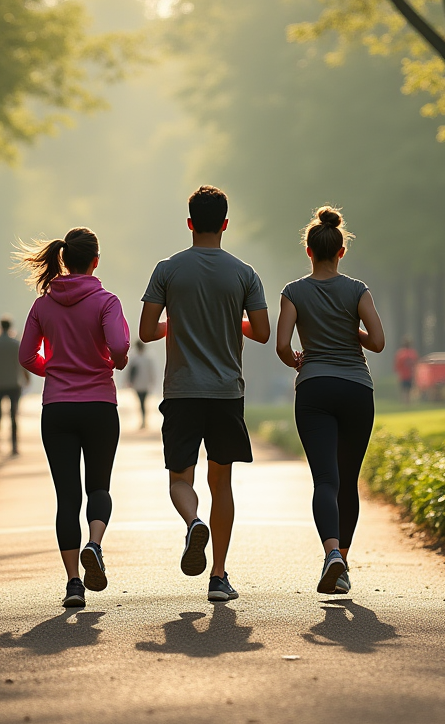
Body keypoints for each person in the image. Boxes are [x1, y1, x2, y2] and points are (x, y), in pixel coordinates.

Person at [140, 185, 270, 603]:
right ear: (225, 224)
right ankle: (218, 576)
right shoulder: (244, 273)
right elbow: (264, 332)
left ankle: (193, 521)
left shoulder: (168, 270)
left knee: (181, 478)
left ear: (191, 223)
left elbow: (145, 331)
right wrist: (234, 321)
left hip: (181, 391)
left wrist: (175, 324)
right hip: (226, 392)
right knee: (222, 482)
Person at [275, 206, 385, 596]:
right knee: (348, 482)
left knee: (325, 478)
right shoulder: (358, 290)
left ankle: (331, 554)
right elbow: (378, 342)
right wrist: (350, 329)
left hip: (315, 389)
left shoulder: (294, 292)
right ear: (341, 251)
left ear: (309, 251)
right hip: (357, 388)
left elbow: (283, 346)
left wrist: (299, 361)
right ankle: (342, 563)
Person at [18, 227, 130, 609]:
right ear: (96, 260)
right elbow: (117, 347)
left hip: (58, 409)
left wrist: (56, 370)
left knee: (67, 497)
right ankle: (94, 545)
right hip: (99, 405)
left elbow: (26, 356)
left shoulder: (43, 305)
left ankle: (73, 584)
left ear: (63, 259)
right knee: (98, 488)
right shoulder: (106, 301)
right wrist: (116, 360)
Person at [0, 317, 28, 454]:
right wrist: (26, 377)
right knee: (14, 415)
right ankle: (14, 444)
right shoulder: (16, 343)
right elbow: (23, 361)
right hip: (14, 382)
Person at [127, 339, 156, 430]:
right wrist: (152, 382)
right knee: (143, 402)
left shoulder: (134, 358)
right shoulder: (148, 358)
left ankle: (143, 421)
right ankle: (144, 420)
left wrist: (129, 382)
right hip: (145, 384)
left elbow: (130, 372)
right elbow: (152, 372)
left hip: (138, 385)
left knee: (141, 402)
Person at [394, 338, 420, 403]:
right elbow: (416, 364)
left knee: (404, 390)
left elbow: (397, 365)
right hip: (411, 374)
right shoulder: (413, 353)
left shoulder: (400, 354)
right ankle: (409, 402)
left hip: (403, 375)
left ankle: (405, 402)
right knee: (410, 390)